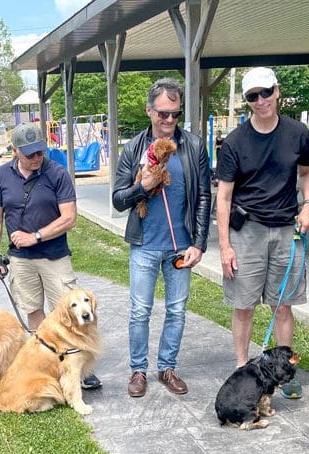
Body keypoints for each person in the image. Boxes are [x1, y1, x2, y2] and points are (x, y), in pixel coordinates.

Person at [216, 67, 309, 399]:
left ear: (277, 91)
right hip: (248, 233)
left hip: (286, 229)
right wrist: (225, 247)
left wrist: (308, 204)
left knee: (283, 305)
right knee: (243, 305)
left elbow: (306, 172)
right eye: (252, 97)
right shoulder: (234, 142)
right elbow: (224, 197)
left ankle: (285, 370)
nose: (261, 101)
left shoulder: (297, 132)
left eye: (265, 93)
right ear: (247, 102)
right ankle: (243, 367)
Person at [112, 77, 211, 398]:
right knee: (140, 310)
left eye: (175, 114)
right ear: (149, 111)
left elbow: (204, 196)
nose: (169, 120)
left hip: (181, 247)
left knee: (177, 310)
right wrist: (143, 186)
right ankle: (138, 370)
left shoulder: (193, 146)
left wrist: (199, 243)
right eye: (163, 114)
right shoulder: (133, 148)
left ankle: (167, 367)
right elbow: (117, 199)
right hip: (145, 245)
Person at [0, 122, 101, 389]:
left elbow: (69, 217)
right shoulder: (1, 176)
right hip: (20, 259)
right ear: (14, 151)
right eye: (30, 154)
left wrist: (35, 236)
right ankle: (47, 363)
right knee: (33, 311)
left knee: (74, 313)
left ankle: (81, 369)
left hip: (54, 256)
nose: (37, 158)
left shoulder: (58, 174)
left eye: (40, 152)